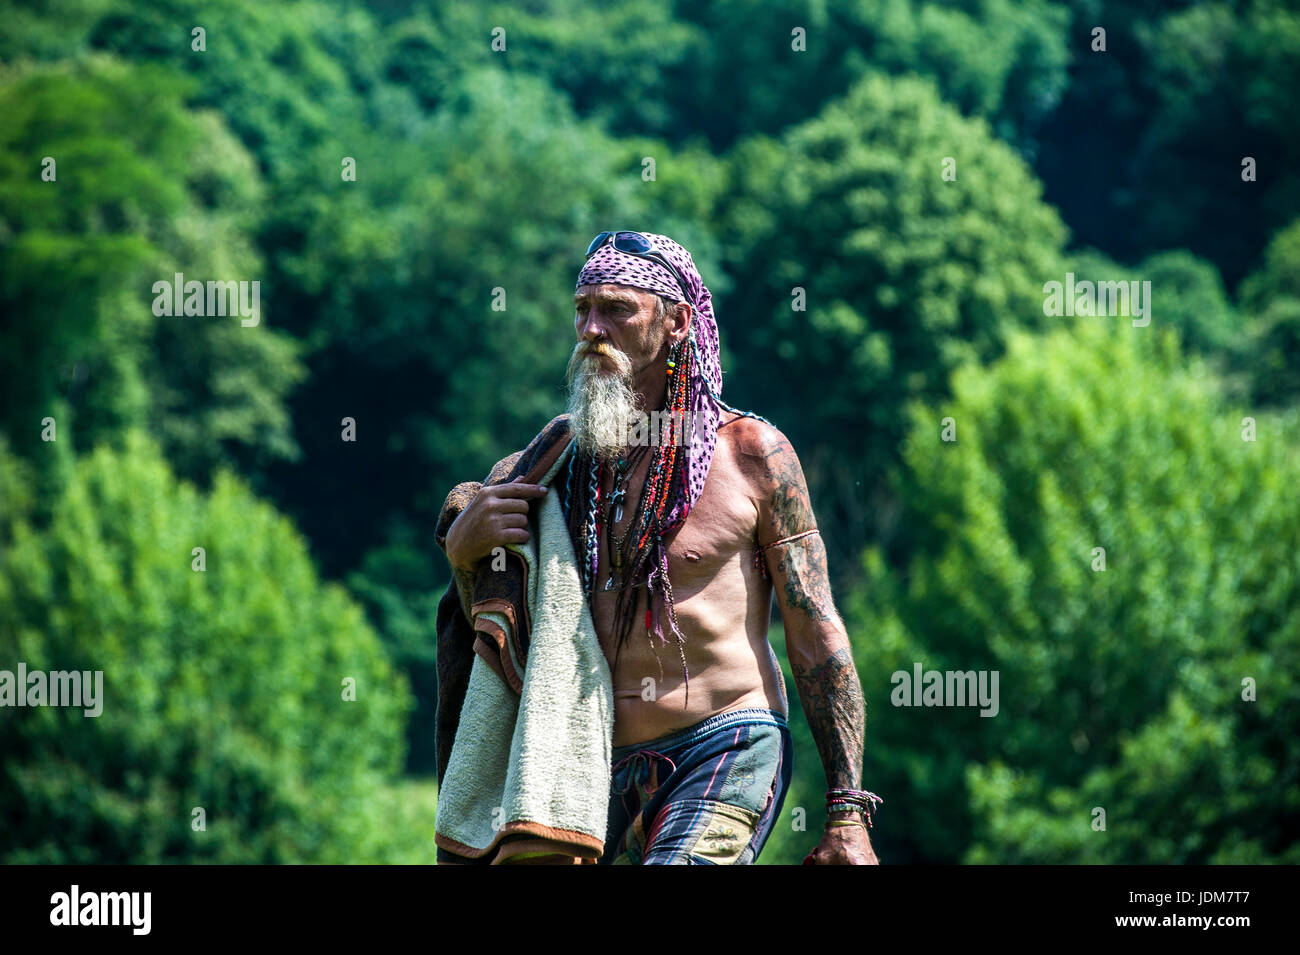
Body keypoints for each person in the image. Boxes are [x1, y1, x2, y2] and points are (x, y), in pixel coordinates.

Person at [443, 231, 881, 864]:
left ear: (677, 323)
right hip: (590, 769)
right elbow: (498, 595)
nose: (592, 328)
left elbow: (816, 633)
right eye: (583, 310)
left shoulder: (754, 455)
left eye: (617, 309)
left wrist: (846, 811)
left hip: (727, 742)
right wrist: (462, 548)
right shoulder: (554, 467)